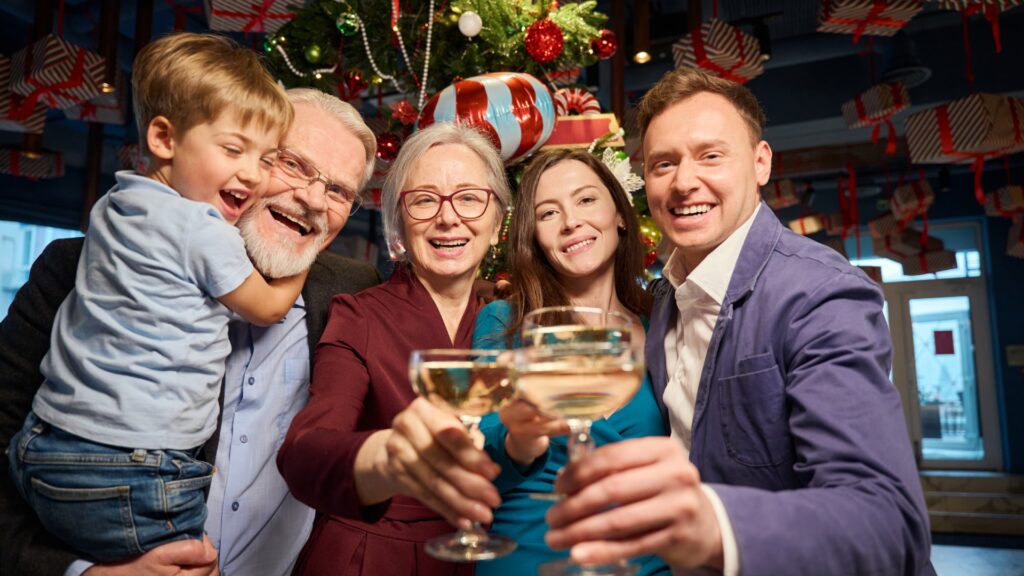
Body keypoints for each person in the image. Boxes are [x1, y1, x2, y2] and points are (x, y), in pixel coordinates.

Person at [543, 68, 935, 576]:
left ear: (760, 163)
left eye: (710, 155)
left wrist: (714, 524)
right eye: (664, 164)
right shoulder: (664, 298)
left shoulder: (820, 293)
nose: (685, 182)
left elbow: (890, 523)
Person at [0, 85, 381, 575]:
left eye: (338, 191)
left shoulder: (354, 295)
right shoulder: (81, 270)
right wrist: (84, 574)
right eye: (292, 164)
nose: (311, 198)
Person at [277, 122, 510, 576]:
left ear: (497, 221)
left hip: (491, 558)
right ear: (399, 223)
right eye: (424, 200)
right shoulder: (359, 315)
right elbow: (304, 453)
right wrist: (388, 456)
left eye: (468, 197)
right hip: (370, 557)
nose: (448, 218)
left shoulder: (510, 318)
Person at [471, 148, 670, 576]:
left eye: (585, 200)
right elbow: (483, 462)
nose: (570, 222)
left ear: (619, 213)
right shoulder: (503, 323)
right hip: (532, 555)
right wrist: (522, 438)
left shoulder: (660, 326)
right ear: (535, 239)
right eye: (548, 213)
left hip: (644, 561)